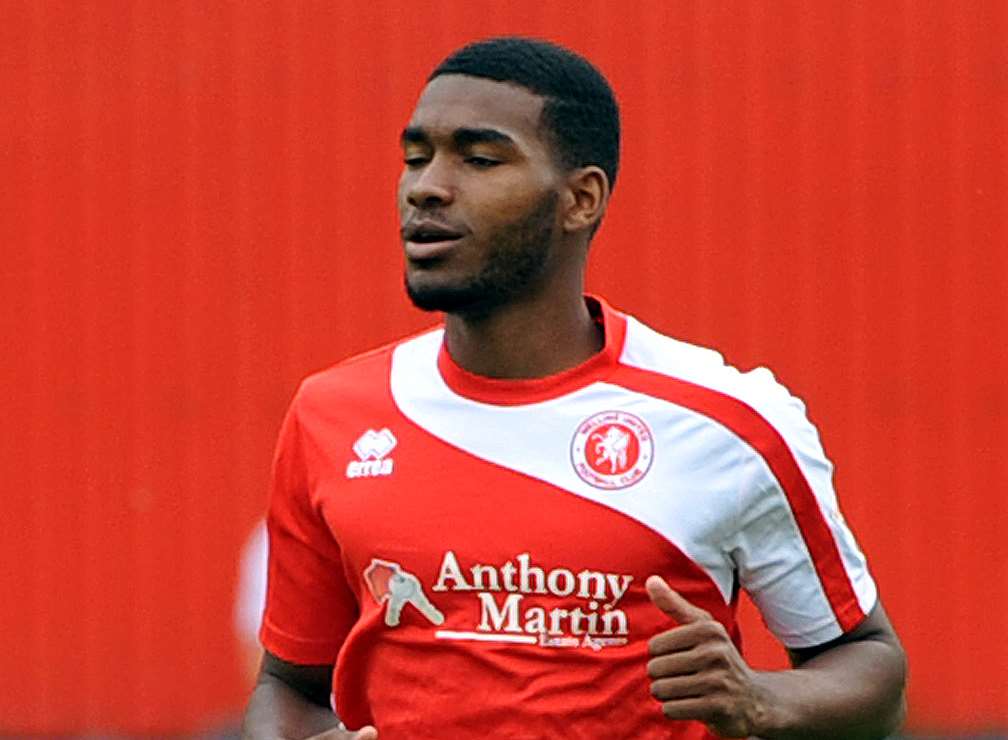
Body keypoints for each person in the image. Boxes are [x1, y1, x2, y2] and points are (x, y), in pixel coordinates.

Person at [242, 36, 906, 740]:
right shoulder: (333, 416)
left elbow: (869, 668)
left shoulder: (729, 421)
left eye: (479, 158)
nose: (425, 186)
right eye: (415, 156)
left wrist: (760, 701)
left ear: (581, 199)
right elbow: (287, 687)